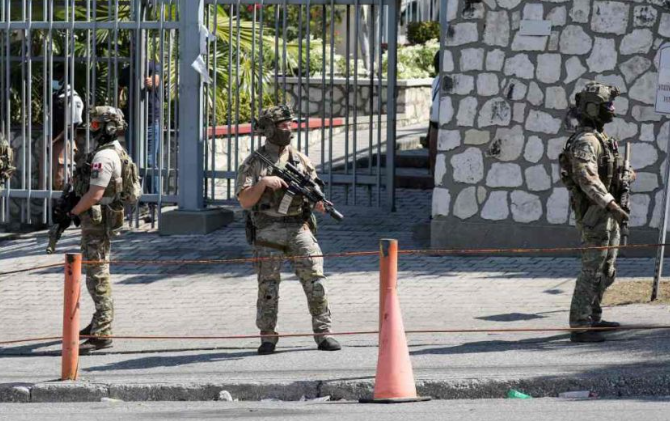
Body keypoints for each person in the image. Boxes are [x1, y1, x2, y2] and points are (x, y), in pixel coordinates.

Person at [236, 105, 341, 355]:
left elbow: (313, 190)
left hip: (297, 227)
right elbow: (244, 201)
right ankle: (268, 336)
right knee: (268, 286)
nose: (289, 129)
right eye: (283, 125)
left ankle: (323, 333)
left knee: (316, 279)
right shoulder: (254, 163)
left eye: (290, 125)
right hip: (267, 230)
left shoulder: (300, 159)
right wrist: (263, 184)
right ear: (270, 129)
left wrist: (318, 203)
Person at [559, 81, 635, 343]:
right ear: (592, 108)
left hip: (608, 213)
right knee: (592, 269)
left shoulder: (602, 140)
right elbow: (586, 178)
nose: (612, 109)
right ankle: (580, 326)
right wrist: (612, 204)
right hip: (595, 213)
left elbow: (611, 171)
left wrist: (626, 174)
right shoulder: (585, 142)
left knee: (607, 270)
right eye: (607, 105)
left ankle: (594, 316)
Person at [69, 106, 130, 353]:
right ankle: (97, 323)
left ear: (109, 127)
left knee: (98, 276)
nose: (92, 130)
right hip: (100, 221)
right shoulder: (112, 151)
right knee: (96, 273)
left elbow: (95, 194)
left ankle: (103, 332)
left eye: (96, 125)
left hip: (97, 222)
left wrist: (72, 212)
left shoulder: (104, 157)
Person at [50, 72, 85, 190]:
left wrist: (55, 140)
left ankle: (66, 207)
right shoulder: (56, 96)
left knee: (62, 180)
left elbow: (72, 125)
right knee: (54, 180)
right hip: (55, 143)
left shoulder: (74, 98)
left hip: (64, 143)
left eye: (55, 78)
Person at [427, 51, 440, 176]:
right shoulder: (436, 81)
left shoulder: (437, 80)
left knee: (435, 157)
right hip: (435, 125)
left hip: (438, 125)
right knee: (433, 157)